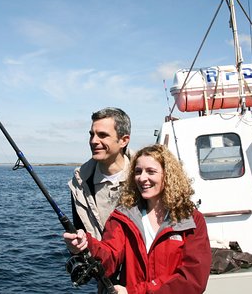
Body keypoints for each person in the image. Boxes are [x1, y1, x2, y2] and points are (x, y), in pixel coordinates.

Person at [64, 144, 211, 294]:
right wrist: (86, 244)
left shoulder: (191, 220)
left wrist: (136, 292)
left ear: (168, 175)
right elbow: (109, 258)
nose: (142, 178)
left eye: (151, 172)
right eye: (138, 171)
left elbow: (193, 279)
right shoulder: (123, 216)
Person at [69, 107, 131, 240]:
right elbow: (80, 229)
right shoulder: (79, 182)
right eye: (92, 134)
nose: (93, 141)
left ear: (123, 140)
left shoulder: (147, 179)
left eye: (102, 135)